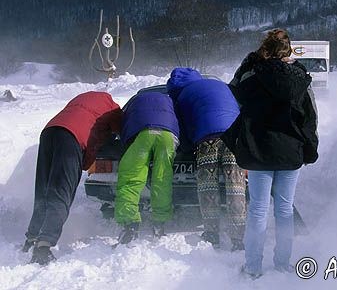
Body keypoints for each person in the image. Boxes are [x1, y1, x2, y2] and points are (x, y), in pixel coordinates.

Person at [222, 29, 319, 278]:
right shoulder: (300, 79)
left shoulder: (251, 77)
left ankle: (253, 266)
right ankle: (282, 264)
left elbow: (233, 92)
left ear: (264, 48)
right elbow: (310, 117)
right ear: (289, 51)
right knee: (284, 209)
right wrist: (310, 146)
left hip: (258, 149)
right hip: (290, 151)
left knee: (258, 209)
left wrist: (251, 62)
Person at [23, 91, 122, 265]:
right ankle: (43, 246)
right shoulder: (113, 109)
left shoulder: (81, 99)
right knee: (61, 191)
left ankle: (31, 238)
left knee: (44, 189)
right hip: (72, 138)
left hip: (50, 131)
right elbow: (115, 135)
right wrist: (85, 162)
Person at [166, 68, 246, 251]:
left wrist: (186, 149)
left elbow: (183, 128)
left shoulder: (183, 95)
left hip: (208, 137)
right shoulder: (220, 85)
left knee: (208, 186)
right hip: (235, 136)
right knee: (236, 185)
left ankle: (211, 234)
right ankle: (238, 239)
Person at [114, 90, 179, 244]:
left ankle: (130, 224)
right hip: (167, 135)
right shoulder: (170, 101)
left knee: (131, 179)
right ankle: (159, 223)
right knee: (162, 179)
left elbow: (124, 123)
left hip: (142, 134)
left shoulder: (136, 99)